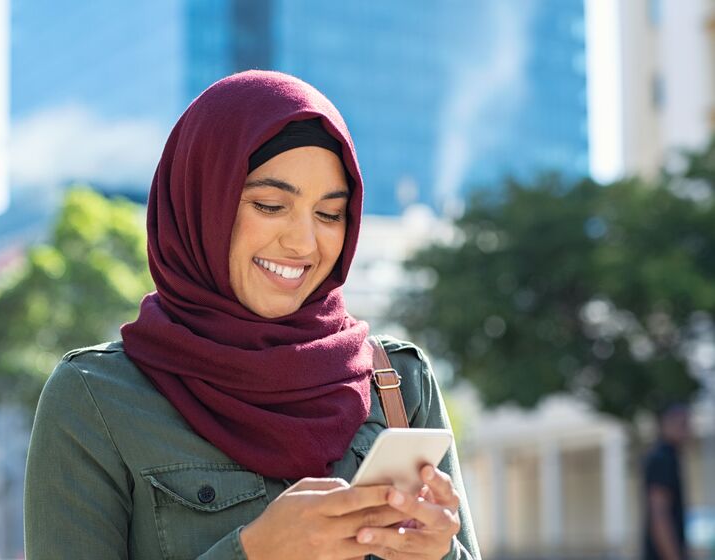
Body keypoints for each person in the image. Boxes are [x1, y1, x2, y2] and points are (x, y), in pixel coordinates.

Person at [24, 70, 481, 559]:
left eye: (329, 214)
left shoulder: (398, 382)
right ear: (202, 204)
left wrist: (440, 554)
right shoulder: (95, 398)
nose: (304, 243)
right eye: (270, 205)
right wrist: (254, 552)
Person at [643, 403, 690, 560]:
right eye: (682, 424)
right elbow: (660, 515)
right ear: (665, 424)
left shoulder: (669, 457)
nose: (687, 430)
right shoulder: (662, 458)